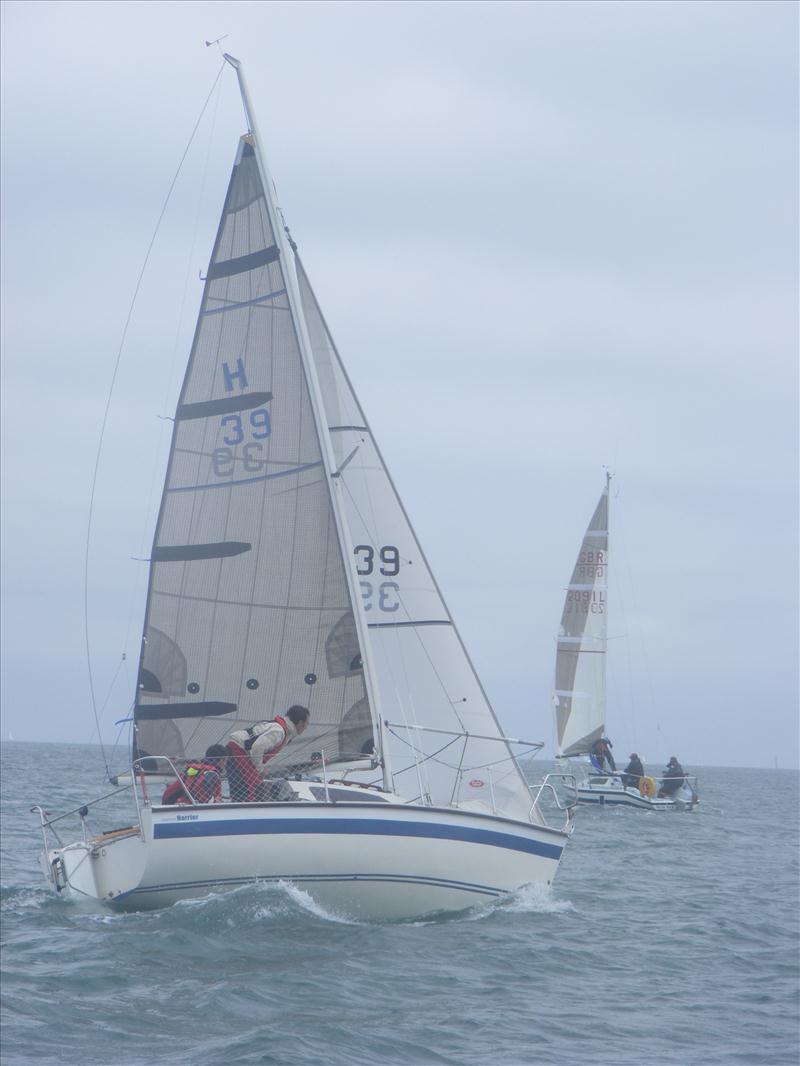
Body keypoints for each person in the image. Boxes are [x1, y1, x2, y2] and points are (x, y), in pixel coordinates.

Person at [226, 705, 310, 802]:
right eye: (306, 723)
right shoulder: (279, 731)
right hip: (238, 749)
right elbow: (257, 748)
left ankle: (241, 809)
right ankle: (250, 811)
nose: (306, 727)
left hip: (237, 749)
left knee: (243, 788)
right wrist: (260, 770)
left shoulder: (281, 729)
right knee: (254, 786)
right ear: (300, 723)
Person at [160, 745, 227, 805]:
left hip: (168, 800)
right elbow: (203, 796)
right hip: (183, 804)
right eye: (225, 760)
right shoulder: (212, 774)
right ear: (221, 760)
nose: (226, 763)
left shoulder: (195, 768)